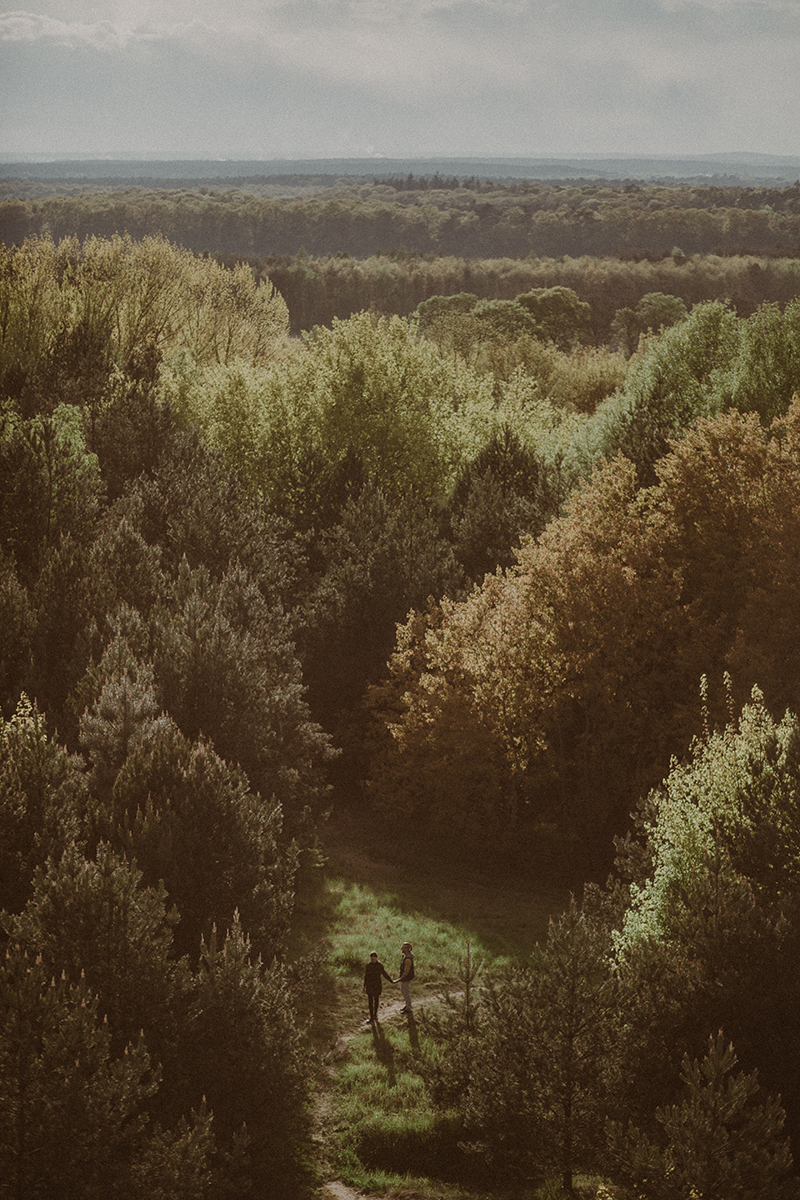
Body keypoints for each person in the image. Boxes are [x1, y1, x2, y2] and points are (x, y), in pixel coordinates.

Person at [363, 951, 392, 1023]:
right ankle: (371, 1017)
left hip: (377, 984)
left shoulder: (380, 965)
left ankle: (375, 1015)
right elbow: (366, 976)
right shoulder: (368, 965)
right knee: (370, 1001)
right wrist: (364, 985)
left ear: (376, 958)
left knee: (376, 1000)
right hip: (370, 984)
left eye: (374, 957)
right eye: (372, 957)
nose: (373, 958)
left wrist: (391, 980)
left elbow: (384, 974)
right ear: (370, 958)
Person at [394, 941, 415, 1015]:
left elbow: (406, 971)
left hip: (406, 978)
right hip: (406, 977)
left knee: (406, 992)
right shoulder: (406, 956)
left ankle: (408, 1008)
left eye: (402, 947)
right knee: (404, 991)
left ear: (406, 948)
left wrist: (400, 979)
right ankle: (407, 1006)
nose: (401, 949)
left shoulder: (408, 959)